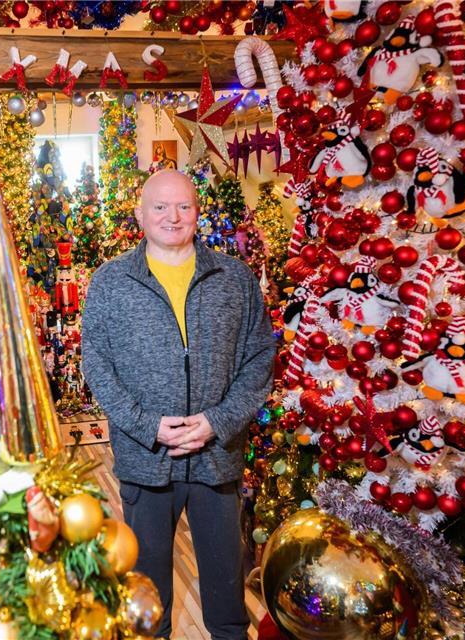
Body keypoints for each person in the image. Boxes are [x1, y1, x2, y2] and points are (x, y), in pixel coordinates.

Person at [82, 170, 275, 640]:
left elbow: (259, 360)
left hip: (217, 460)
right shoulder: (110, 283)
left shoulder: (235, 278)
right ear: (140, 214)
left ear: (197, 211)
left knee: (227, 597)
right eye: (160, 207)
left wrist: (216, 421)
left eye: (183, 206)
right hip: (146, 463)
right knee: (148, 597)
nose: (173, 217)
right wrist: (148, 426)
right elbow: (97, 366)